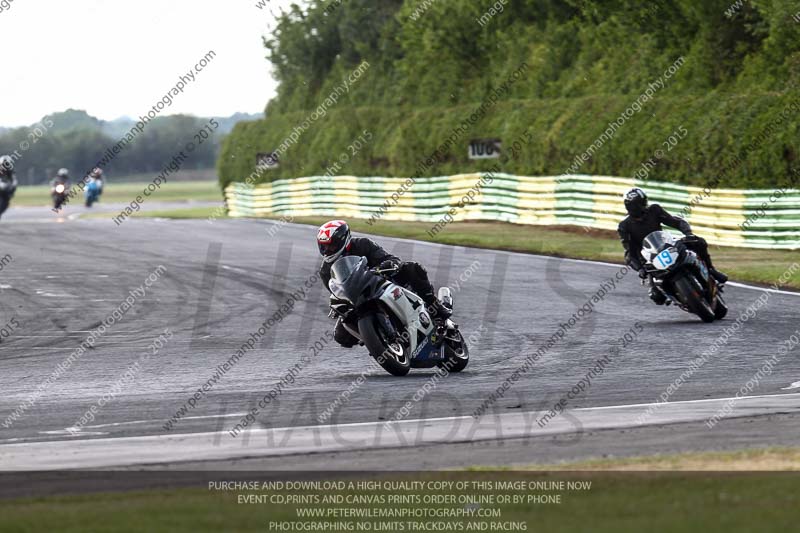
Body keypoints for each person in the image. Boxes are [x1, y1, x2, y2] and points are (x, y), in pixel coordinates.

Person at [316, 220, 451, 348]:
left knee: (413, 269)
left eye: (331, 245)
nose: (327, 250)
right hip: (357, 298)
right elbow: (336, 291)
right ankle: (378, 339)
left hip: (381, 281)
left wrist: (388, 265)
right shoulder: (325, 271)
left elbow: (389, 258)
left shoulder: (363, 244)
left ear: (343, 240)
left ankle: (435, 306)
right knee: (341, 336)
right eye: (324, 247)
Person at [618, 188, 728, 305]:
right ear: (635, 205)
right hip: (648, 258)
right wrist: (640, 269)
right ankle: (672, 294)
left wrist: (688, 234)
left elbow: (676, 222)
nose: (645, 204)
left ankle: (711, 269)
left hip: (664, 245)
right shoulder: (624, 226)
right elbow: (629, 251)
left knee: (698, 242)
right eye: (642, 202)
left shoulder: (654, 210)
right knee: (657, 297)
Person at [0, 155, 19, 219]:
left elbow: (14, 182)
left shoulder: (10, 172)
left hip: (5, 192)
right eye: (4, 164)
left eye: (7, 164)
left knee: (5, 204)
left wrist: (11, 189)